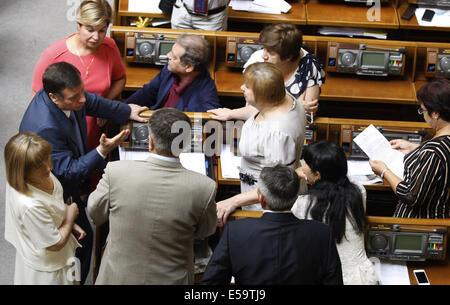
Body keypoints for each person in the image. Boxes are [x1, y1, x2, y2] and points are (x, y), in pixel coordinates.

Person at [19, 62, 147, 284]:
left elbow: (93, 102)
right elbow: (68, 172)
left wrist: (126, 111)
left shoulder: (69, 95)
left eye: (81, 92)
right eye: (75, 97)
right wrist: (101, 151)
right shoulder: (45, 128)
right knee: (79, 245)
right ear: (54, 98)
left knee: (82, 243)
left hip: (65, 184)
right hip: (53, 194)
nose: (83, 100)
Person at [87, 108, 217, 284]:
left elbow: (95, 213)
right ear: (184, 143)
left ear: (150, 142)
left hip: (118, 278)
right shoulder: (205, 187)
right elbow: (205, 231)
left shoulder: (115, 171)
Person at [201, 165, 343, 285]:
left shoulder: (235, 232)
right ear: (295, 199)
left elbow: (211, 283)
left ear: (262, 200)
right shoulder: (322, 234)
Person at [32, 0, 126, 167]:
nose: (96, 37)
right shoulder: (54, 55)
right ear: (78, 25)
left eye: (102, 30)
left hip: (96, 127)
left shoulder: (110, 47)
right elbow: (38, 100)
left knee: (93, 169)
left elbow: (120, 78)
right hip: (66, 130)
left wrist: (105, 107)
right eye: (89, 30)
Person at [216, 62, 306, 225]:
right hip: (253, 190)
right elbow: (257, 109)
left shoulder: (278, 133)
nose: (242, 87)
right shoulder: (282, 98)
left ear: (263, 95)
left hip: (265, 202)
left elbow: (278, 185)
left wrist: (234, 201)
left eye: (248, 87)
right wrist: (231, 113)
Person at [291, 141, 379, 285]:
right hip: (361, 278)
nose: (302, 167)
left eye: (305, 164)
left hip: (328, 278)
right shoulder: (359, 192)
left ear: (317, 174)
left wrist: (294, 176)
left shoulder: (303, 205)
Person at [4, 132, 86, 285]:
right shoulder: (28, 205)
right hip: (50, 270)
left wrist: (64, 219)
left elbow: (50, 206)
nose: (48, 167)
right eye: (38, 165)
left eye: (47, 157)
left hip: (61, 253)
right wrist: (69, 217)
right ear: (23, 171)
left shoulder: (35, 174)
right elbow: (54, 244)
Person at [208, 23, 325, 122]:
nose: (263, 55)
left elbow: (307, 116)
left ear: (288, 57)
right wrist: (296, 106)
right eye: (264, 48)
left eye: (271, 53)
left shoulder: (311, 66)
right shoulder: (257, 59)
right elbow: (256, 107)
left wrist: (270, 109)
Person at [370, 79, 450, 219]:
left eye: (423, 110)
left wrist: (384, 171)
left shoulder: (432, 152)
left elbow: (411, 196)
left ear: (436, 113)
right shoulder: (439, 146)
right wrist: (416, 148)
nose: (423, 115)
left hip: (422, 223)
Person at [126, 34, 220, 112]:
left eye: (174, 57)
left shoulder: (206, 97)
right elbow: (147, 92)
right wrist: (124, 109)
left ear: (188, 67)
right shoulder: (169, 69)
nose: (168, 55)